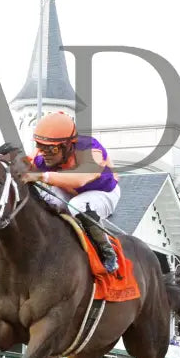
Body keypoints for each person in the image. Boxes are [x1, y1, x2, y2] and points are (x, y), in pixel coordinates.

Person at [23, 112, 121, 272]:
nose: (43, 153)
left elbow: (81, 179)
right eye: (40, 146)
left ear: (67, 146)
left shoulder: (90, 149)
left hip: (104, 192)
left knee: (77, 205)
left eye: (51, 149)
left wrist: (41, 175)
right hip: (70, 190)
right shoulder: (43, 155)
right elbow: (25, 163)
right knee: (49, 202)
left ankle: (107, 252)